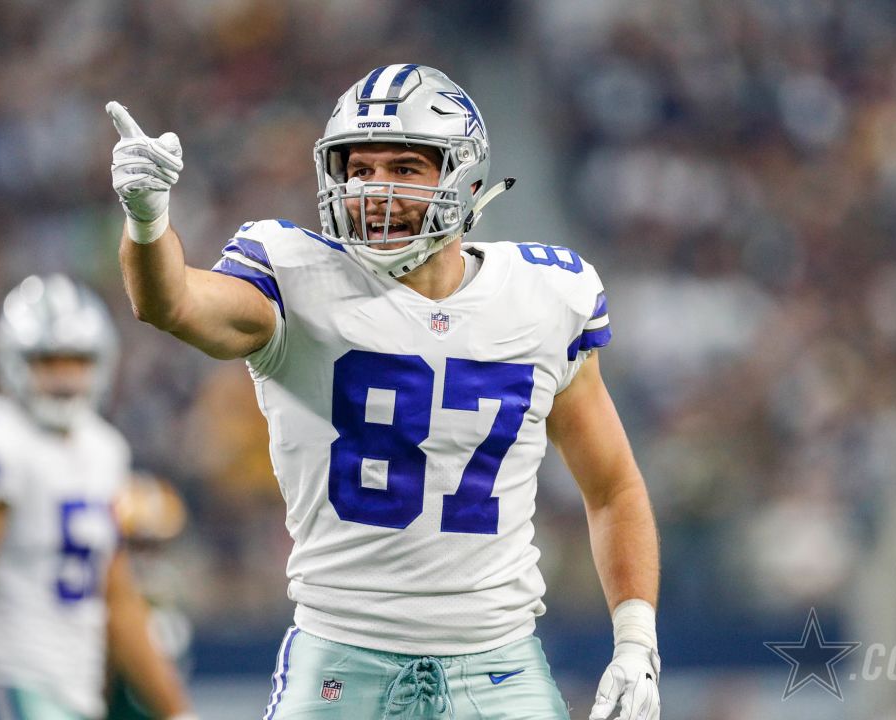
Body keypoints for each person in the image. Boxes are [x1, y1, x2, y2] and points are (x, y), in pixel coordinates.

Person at [107, 63, 662, 720]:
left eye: (404, 168)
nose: (375, 189)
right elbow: (170, 302)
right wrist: (147, 222)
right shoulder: (296, 279)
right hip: (342, 657)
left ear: (466, 179)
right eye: (359, 167)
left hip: (498, 663)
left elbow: (613, 489)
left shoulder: (544, 298)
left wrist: (635, 643)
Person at [0, 274, 196, 720]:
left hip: (75, 694)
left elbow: (119, 600)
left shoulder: (104, 449)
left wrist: (178, 712)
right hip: (8, 680)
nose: (65, 377)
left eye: (77, 361)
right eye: (49, 362)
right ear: (14, 362)